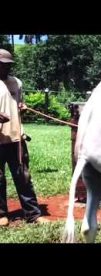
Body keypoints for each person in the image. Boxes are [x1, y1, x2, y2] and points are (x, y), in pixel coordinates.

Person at [0, 48, 49, 226]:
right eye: (2, 65)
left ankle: (33, 214)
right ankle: (1, 215)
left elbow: (18, 101)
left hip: (16, 138)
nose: (5, 68)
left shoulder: (16, 83)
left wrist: (22, 106)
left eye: (8, 65)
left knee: (23, 177)